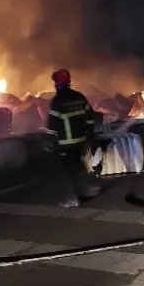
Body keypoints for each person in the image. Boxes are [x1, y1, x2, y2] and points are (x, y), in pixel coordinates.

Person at [44, 69, 97, 207]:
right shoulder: (79, 96)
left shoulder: (58, 100)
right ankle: (88, 189)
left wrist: (48, 140)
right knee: (78, 166)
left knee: (67, 170)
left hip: (66, 142)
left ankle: (72, 198)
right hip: (81, 139)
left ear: (56, 83)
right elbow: (91, 117)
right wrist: (90, 135)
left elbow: (52, 124)